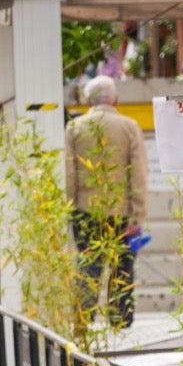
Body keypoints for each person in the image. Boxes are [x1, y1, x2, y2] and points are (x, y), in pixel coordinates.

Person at [64, 75, 148, 330]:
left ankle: (83, 319)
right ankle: (120, 320)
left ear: (88, 101)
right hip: (121, 212)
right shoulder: (129, 126)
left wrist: (70, 208)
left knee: (88, 265)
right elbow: (138, 173)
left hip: (85, 210)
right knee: (122, 267)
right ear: (116, 99)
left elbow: (69, 173)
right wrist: (138, 215)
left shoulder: (75, 128)